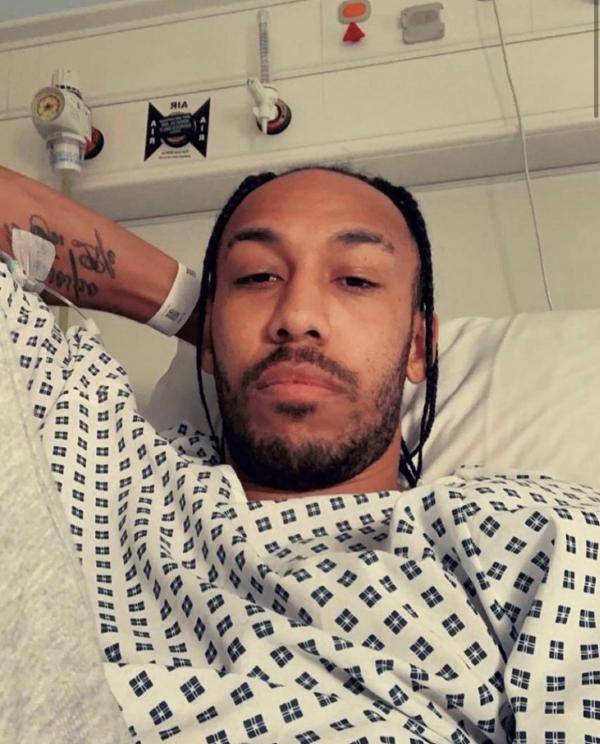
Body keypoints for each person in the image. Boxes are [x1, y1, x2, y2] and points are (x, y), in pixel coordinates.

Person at [1, 163, 598, 743]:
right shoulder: (106, 463)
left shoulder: (530, 534)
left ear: (419, 347)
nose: (297, 317)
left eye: (356, 280)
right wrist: (194, 311)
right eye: (256, 277)